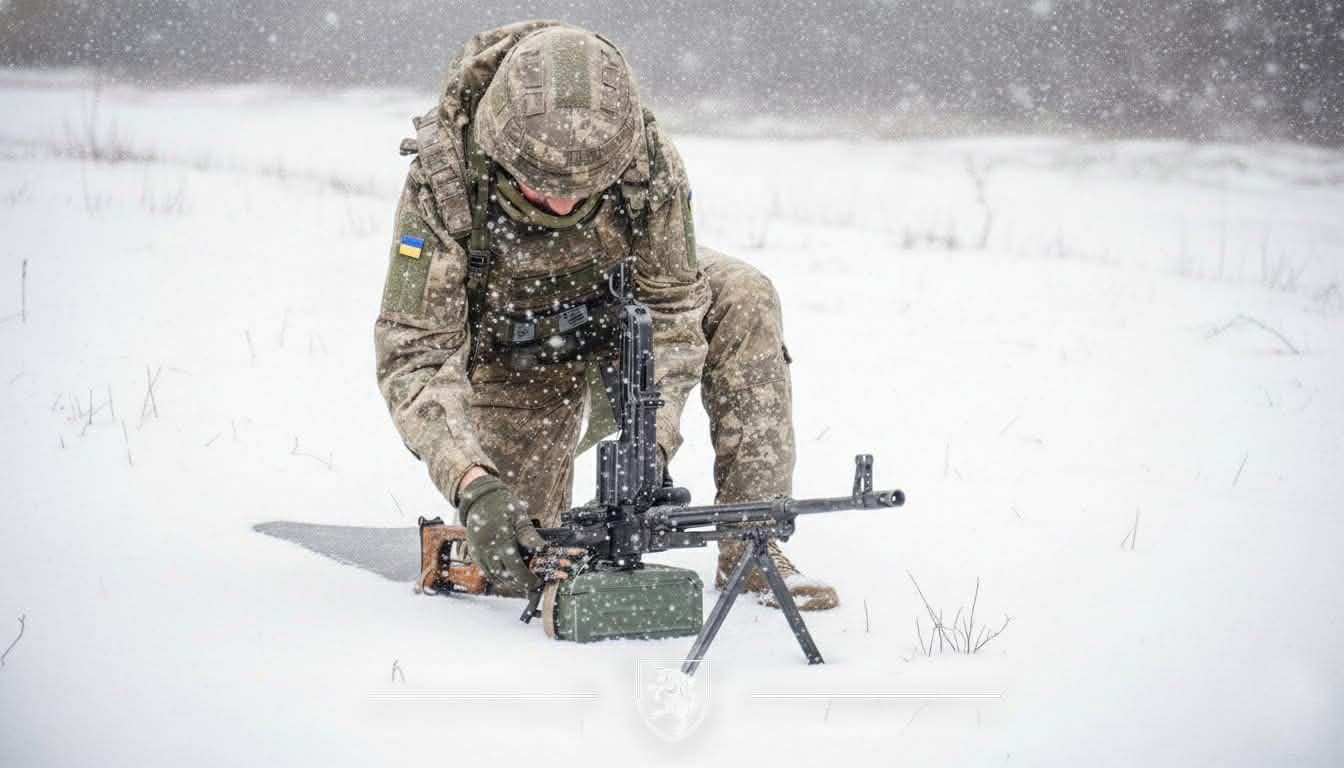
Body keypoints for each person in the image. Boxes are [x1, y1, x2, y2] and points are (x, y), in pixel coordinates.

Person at [374, 21, 838, 611]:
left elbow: (673, 306)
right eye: (543, 190)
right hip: (517, 368)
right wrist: (473, 481)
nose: (565, 204)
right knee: (525, 556)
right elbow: (417, 351)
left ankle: (753, 550)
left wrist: (655, 439)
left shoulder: (647, 158)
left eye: (584, 188)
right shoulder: (447, 182)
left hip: (619, 335)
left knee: (744, 293)